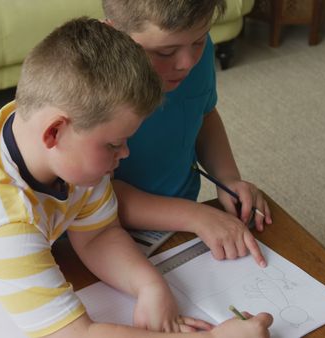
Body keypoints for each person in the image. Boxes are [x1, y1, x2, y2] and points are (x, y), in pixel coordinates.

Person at [0, 18, 272, 338]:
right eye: (113, 145)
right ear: (54, 132)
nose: (123, 156)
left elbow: (98, 234)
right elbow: (78, 335)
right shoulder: (3, 226)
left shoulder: (44, 141)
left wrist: (149, 285)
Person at [103, 0, 273, 267]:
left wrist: (228, 178)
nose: (187, 63)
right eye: (165, 51)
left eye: (199, 41)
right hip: (105, 231)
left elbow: (203, 114)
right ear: (115, 36)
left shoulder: (196, 56)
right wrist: (196, 216)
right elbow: (99, 196)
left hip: (180, 219)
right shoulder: (94, 88)